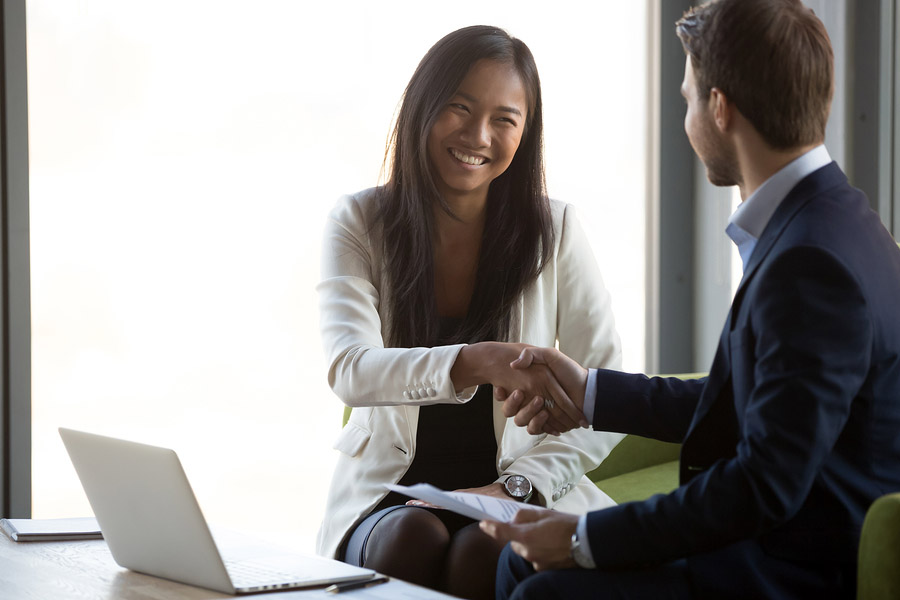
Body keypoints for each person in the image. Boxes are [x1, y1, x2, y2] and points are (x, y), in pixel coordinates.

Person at [481, 1, 900, 599]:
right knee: (521, 567)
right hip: (783, 545)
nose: (685, 118)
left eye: (686, 99)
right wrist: (592, 392)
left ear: (721, 107)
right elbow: (760, 405)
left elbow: (765, 484)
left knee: (540, 588)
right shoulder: (840, 219)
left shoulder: (810, 265)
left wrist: (585, 538)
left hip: (790, 574)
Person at [315, 25, 623, 600]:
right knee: (411, 536)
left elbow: (606, 394)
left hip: (513, 488)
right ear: (422, 108)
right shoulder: (359, 221)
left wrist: (521, 486)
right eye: (459, 107)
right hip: (388, 494)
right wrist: (478, 361)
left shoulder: (554, 230)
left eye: (504, 118)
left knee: (487, 545)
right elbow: (350, 369)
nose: (478, 135)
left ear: (525, 133)